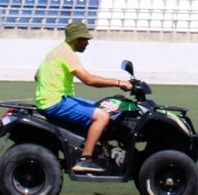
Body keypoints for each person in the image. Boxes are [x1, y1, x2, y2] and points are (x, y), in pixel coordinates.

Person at [35, 20, 133, 174]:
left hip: (50, 100)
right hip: (56, 102)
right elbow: (88, 80)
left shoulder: (56, 51)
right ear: (76, 40)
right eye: (85, 40)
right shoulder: (66, 53)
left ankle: (95, 147)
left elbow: (37, 75)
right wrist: (119, 82)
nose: (87, 43)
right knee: (102, 116)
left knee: (96, 107)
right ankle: (85, 159)